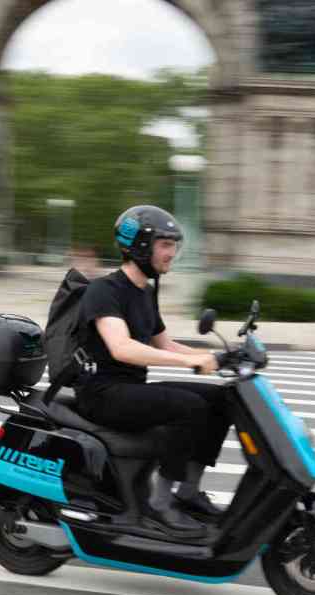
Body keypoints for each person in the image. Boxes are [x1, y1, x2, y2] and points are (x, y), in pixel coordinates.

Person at [74, 205, 232, 539]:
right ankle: (160, 504)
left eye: (173, 245)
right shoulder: (105, 290)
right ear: (139, 246)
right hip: (102, 393)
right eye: (164, 244)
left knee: (222, 397)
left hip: (129, 388)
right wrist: (191, 363)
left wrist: (216, 357)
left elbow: (164, 343)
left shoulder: (145, 291)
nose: (171, 253)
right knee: (189, 408)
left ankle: (188, 492)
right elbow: (122, 347)